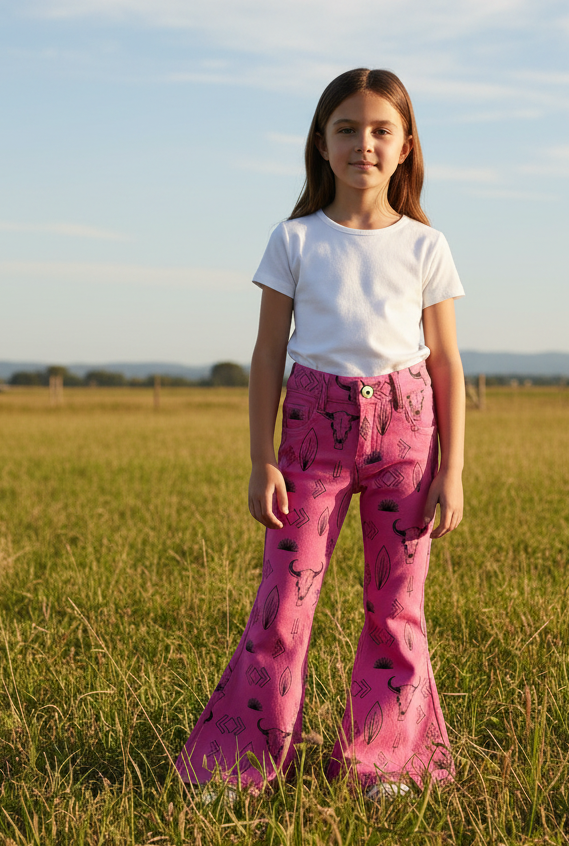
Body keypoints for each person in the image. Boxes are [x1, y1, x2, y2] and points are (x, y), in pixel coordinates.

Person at [176, 68, 465, 800]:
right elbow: (268, 352)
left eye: (379, 131)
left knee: (396, 608)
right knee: (282, 606)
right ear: (320, 142)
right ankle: (239, 764)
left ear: (404, 148)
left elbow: (448, 365)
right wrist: (259, 459)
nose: (362, 144)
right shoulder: (294, 239)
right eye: (346, 129)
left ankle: (385, 761)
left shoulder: (426, 247)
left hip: (407, 433)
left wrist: (451, 470)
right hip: (310, 434)